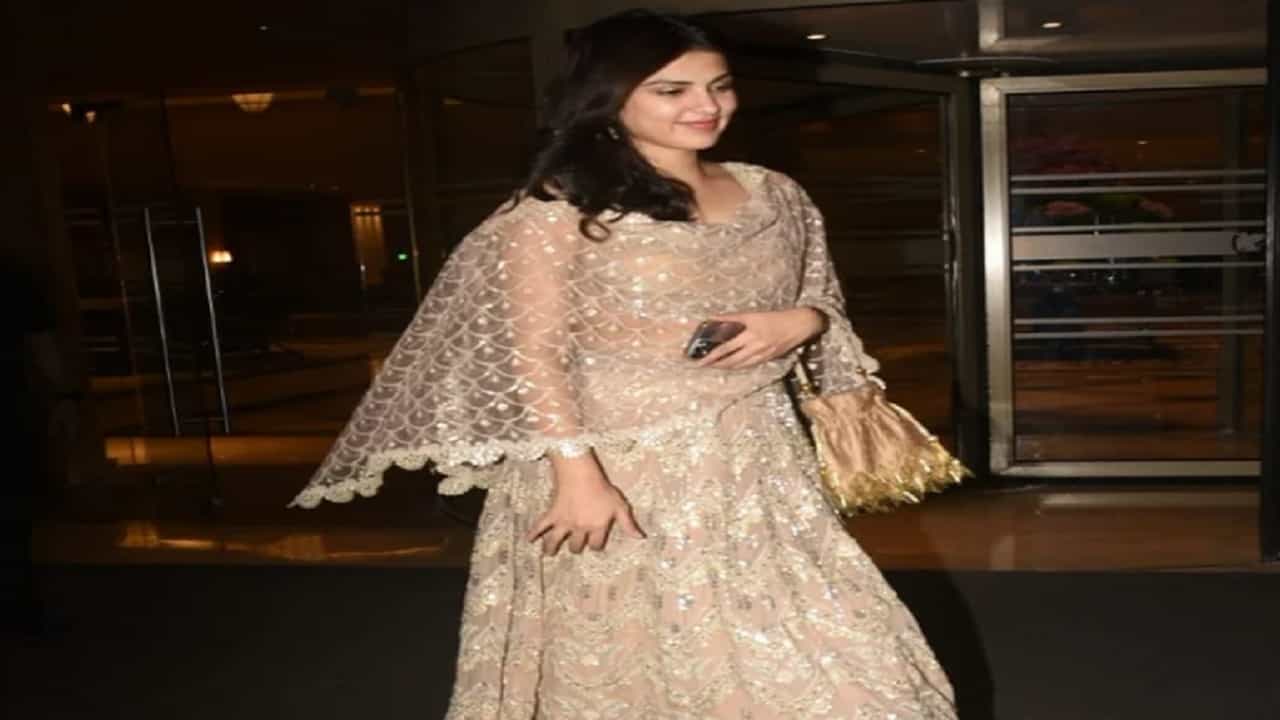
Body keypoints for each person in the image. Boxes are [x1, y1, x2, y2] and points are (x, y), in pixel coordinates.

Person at [291, 9, 957, 718]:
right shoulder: (556, 211)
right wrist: (576, 476)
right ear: (607, 98)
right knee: (631, 653)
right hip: (614, 464)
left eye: (720, 86)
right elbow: (532, 352)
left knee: (844, 660)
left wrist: (803, 321)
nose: (706, 106)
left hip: (757, 460)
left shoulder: (775, 194)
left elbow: (820, 298)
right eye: (672, 90)